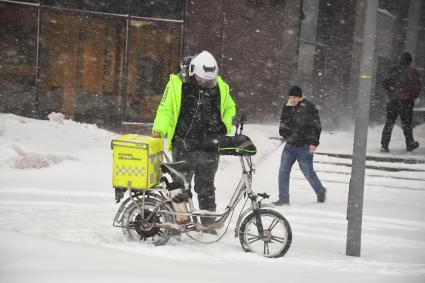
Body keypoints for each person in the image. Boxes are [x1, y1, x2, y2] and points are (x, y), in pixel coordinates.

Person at [152, 51, 236, 229]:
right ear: (192, 72)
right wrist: (159, 130)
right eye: (202, 79)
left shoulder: (221, 86)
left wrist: (225, 126)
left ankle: (208, 225)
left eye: (209, 80)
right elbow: (165, 110)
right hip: (184, 144)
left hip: (210, 146)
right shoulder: (176, 84)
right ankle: (176, 224)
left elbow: (230, 108)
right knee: (178, 187)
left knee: (206, 188)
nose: (206, 83)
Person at [273, 85, 326, 206]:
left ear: (300, 97)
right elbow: (283, 121)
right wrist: (284, 134)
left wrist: (314, 143)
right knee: (283, 171)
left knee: (308, 172)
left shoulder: (309, 107)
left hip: (305, 147)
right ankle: (283, 199)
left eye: (295, 97)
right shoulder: (287, 106)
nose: (292, 99)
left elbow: (316, 126)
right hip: (290, 146)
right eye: (291, 97)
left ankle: (321, 191)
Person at [380, 52, 421, 152]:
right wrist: (413, 97)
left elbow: (385, 83)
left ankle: (384, 145)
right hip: (406, 101)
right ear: (409, 61)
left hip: (392, 101)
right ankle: (410, 143)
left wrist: (391, 92)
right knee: (407, 124)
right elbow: (416, 87)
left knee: (389, 123)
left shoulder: (392, 70)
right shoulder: (412, 72)